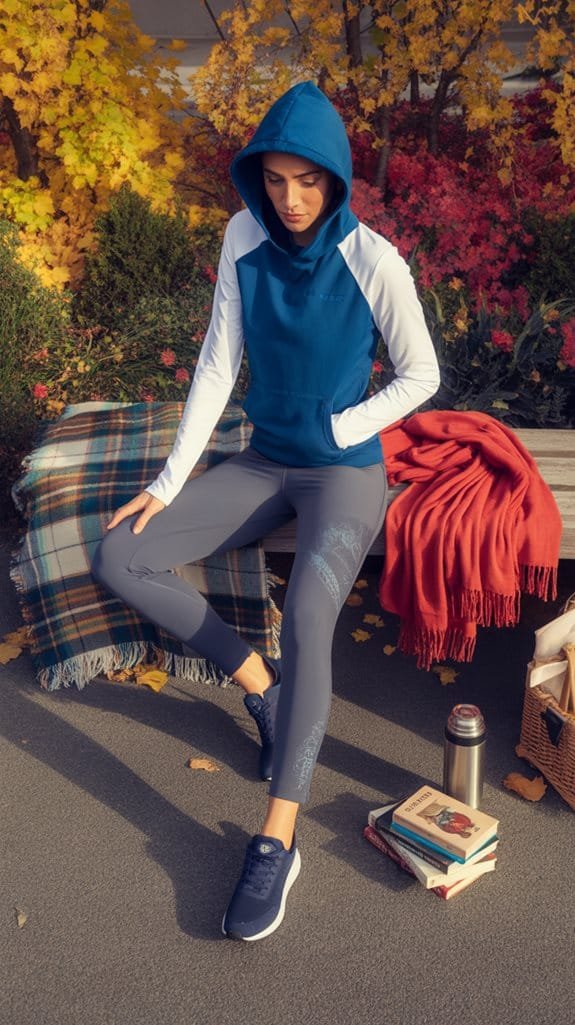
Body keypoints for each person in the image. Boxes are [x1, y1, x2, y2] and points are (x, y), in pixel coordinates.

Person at [92, 81, 440, 941]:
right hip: (263, 462)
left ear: (336, 180)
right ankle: (258, 689)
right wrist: (169, 484)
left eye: (308, 181)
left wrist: (341, 423)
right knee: (119, 555)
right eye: (275, 180)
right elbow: (216, 365)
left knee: (312, 613)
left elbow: (421, 374)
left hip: (343, 475)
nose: (289, 199)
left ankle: (277, 837)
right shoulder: (242, 236)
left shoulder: (373, 259)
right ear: (257, 179)